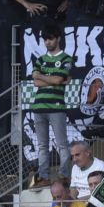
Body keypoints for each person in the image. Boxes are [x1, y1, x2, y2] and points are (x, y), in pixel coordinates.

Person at [30, 22, 73, 187]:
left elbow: (58, 79)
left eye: (51, 39)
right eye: (45, 40)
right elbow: (35, 82)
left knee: (62, 143)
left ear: (58, 38)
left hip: (56, 107)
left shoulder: (66, 59)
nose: (48, 42)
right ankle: (44, 176)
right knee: (42, 145)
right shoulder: (40, 59)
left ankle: (63, 175)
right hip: (39, 106)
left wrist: (44, 78)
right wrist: (54, 81)